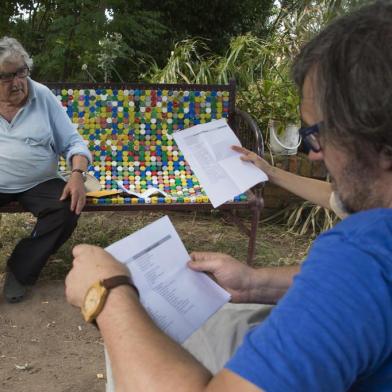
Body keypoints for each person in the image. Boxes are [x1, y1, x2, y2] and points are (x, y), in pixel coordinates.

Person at [65, 2, 392, 390]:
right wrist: (255, 282)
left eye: (315, 134)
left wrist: (107, 294)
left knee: (143, 330)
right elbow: (367, 293)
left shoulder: (366, 251)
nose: (313, 153)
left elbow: (360, 278)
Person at [0, 37, 91, 303]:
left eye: (21, 72)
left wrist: (77, 175)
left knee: (67, 208)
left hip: (39, 181)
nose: (17, 82)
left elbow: (74, 142)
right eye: (6, 77)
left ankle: (20, 269)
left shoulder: (42, 96)